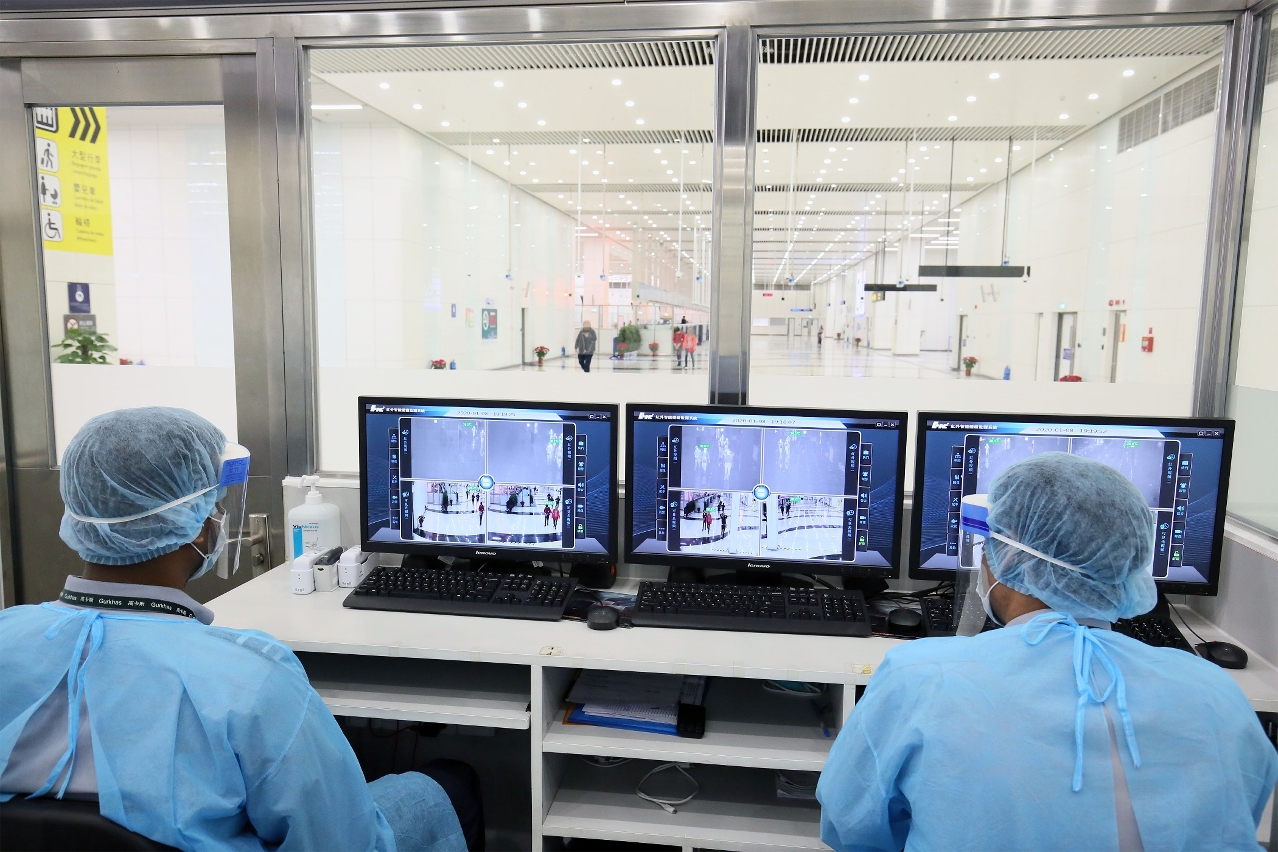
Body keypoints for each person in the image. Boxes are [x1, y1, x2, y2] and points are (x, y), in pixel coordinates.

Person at [0, 408, 476, 852]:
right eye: (216, 504)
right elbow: (340, 841)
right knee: (449, 783)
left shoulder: (7, 636)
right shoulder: (250, 677)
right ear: (199, 528)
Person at [817, 453, 1278, 852]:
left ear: (1006, 558)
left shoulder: (920, 677)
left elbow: (851, 826)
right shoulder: (1214, 691)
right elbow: (1239, 816)